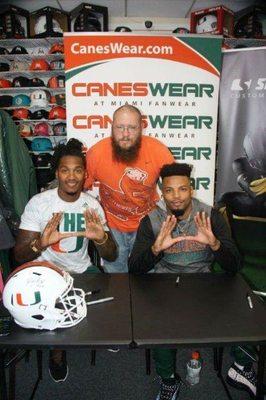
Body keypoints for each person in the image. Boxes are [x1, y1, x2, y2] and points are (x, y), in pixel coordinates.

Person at [128, 163, 258, 400]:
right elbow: (134, 269)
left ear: (192, 189)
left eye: (182, 189)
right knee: (159, 323)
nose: (176, 197)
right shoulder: (151, 221)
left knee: (240, 307)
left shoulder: (210, 216)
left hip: (204, 283)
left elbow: (235, 265)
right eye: (169, 191)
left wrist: (215, 245)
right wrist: (156, 249)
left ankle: (242, 368)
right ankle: (168, 380)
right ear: (161, 191)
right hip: (164, 284)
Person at [14, 138, 117, 383]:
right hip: (47, 272)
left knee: (112, 294)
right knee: (54, 308)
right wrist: (41, 243)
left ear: (84, 174)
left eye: (77, 170)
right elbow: (18, 256)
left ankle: (92, 332)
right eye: (65, 170)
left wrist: (101, 239)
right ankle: (57, 353)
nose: (71, 176)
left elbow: (112, 255)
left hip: (81, 270)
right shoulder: (40, 204)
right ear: (57, 173)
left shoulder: (91, 205)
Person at [85, 104, 174, 272]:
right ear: (112, 127)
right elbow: (77, 189)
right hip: (111, 224)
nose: (125, 134)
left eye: (132, 128)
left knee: (146, 275)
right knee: (116, 274)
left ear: (141, 128)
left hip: (146, 224)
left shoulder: (159, 151)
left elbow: (175, 186)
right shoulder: (96, 153)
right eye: (120, 127)